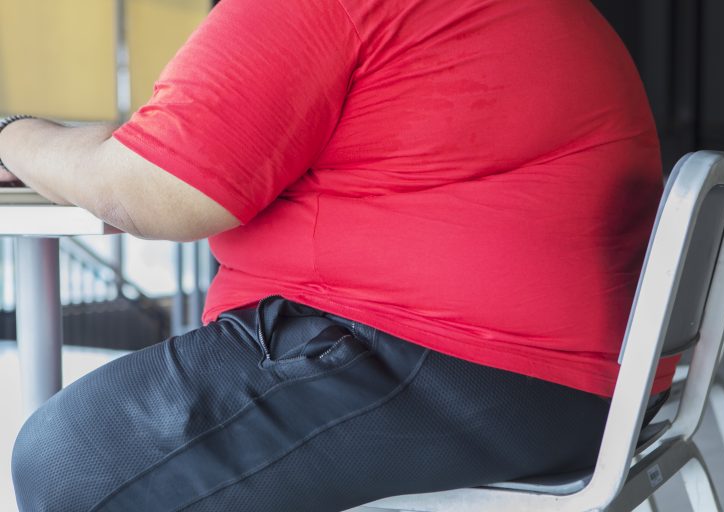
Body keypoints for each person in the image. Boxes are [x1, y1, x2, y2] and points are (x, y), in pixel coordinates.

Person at [2, 0, 675, 510]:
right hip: (570, 378)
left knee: (73, 457)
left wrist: (15, 136)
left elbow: (150, 194)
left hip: (467, 362)